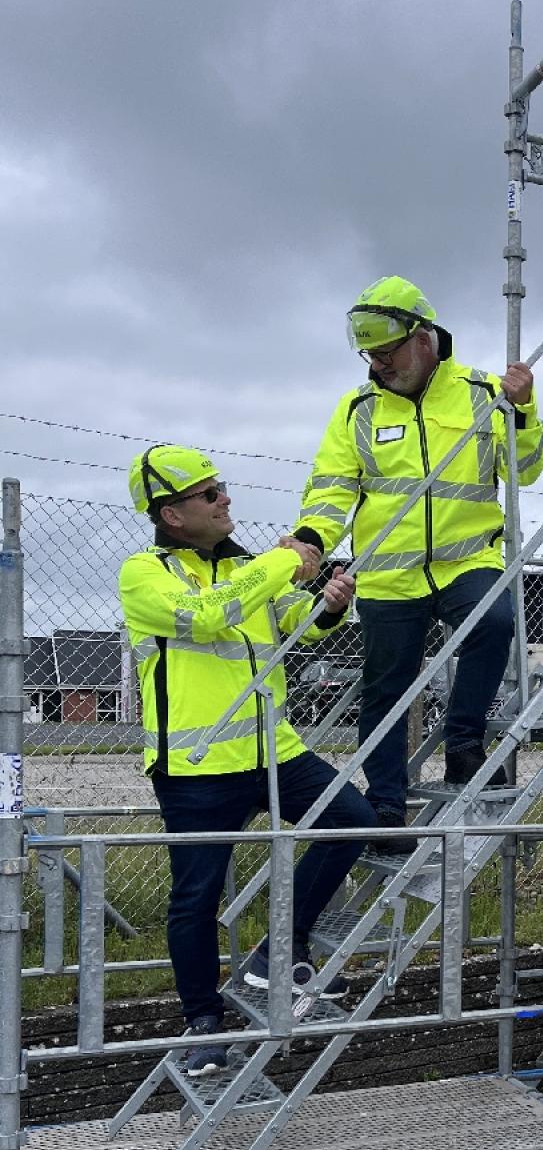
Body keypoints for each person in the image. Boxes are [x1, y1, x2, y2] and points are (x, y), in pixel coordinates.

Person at [120, 445, 372, 1077]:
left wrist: (329, 604)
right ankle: (203, 1022)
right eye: (209, 494)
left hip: (274, 751)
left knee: (352, 820)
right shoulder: (144, 574)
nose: (224, 497)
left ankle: (278, 948)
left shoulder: (244, 570)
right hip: (196, 766)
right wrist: (284, 559)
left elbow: (294, 621)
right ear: (172, 516)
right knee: (196, 897)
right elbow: (211, 618)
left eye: (221, 486)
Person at [290, 277, 543, 831]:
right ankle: (385, 805)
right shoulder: (356, 408)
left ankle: (463, 744)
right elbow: (332, 486)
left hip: (466, 559)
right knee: (387, 687)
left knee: (494, 621)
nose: (378, 365)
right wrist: (311, 539)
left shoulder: (484, 392)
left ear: (423, 338)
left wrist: (523, 411)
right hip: (388, 576)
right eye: (371, 354)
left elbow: (524, 471)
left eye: (388, 352)